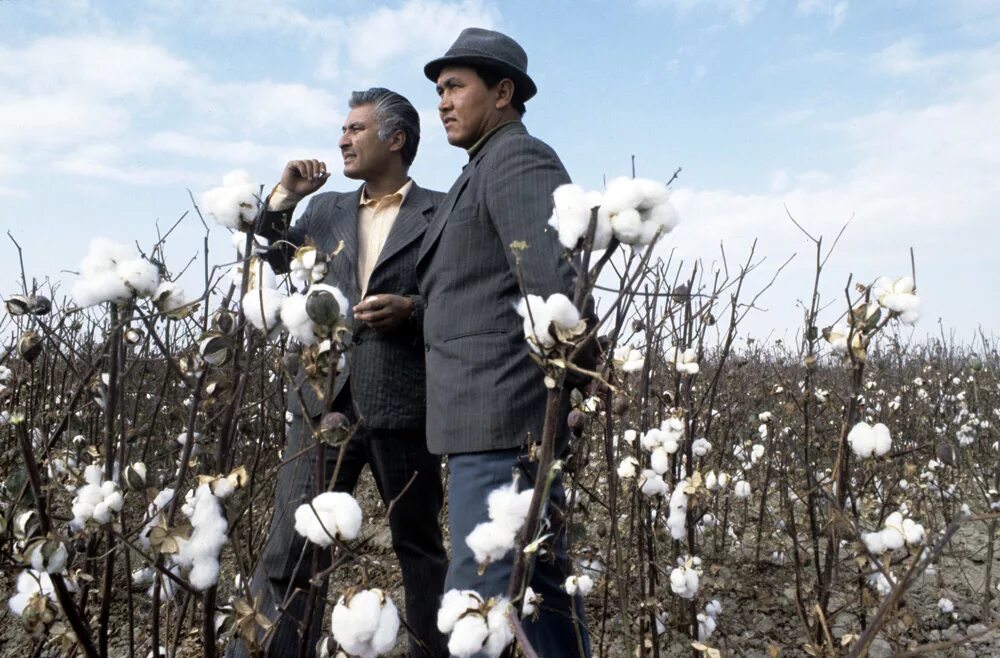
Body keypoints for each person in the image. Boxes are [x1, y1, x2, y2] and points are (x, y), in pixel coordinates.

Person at [233, 88, 448, 658]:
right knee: (293, 546)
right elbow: (276, 258)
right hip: (322, 399)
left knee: (420, 549)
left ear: (395, 139)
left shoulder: (442, 209)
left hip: (404, 404)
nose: (341, 139)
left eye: (355, 129)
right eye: (343, 129)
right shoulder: (324, 211)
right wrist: (284, 196)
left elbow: (458, 297)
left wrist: (413, 311)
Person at [417, 28, 592, 657]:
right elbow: (482, 288)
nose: (442, 100)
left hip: (502, 420)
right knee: (539, 589)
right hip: (486, 420)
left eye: (455, 86)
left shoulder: (517, 159)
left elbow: (556, 293)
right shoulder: (480, 168)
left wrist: (570, 395)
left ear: (503, 93)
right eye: (439, 89)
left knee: (479, 601)